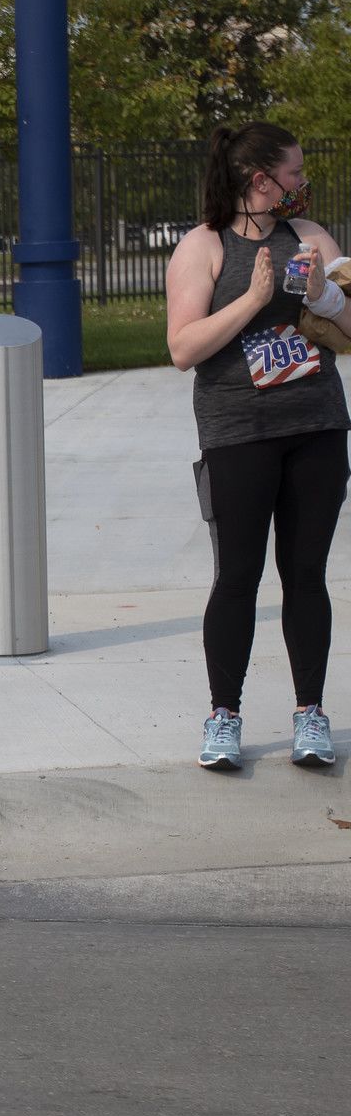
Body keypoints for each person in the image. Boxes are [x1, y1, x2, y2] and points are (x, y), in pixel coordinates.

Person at [166, 121, 349, 770]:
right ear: (260, 178)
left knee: (306, 576)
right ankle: (224, 716)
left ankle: (310, 713)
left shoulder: (311, 237)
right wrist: (254, 299)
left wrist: (326, 295)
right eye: (294, 172)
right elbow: (182, 348)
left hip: (317, 427)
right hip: (239, 434)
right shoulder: (202, 247)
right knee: (237, 576)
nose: (303, 182)